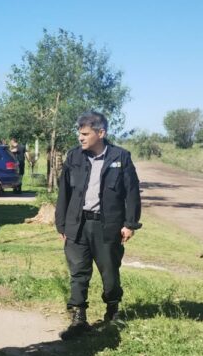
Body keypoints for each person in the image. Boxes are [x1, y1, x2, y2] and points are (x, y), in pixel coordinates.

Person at [55, 111, 142, 340]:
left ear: (100, 133)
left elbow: (132, 193)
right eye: (79, 133)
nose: (80, 138)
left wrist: (130, 224)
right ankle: (78, 319)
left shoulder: (120, 157)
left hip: (107, 226)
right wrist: (61, 225)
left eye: (85, 133)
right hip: (77, 224)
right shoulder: (74, 157)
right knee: (78, 272)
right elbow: (64, 192)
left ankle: (112, 312)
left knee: (110, 271)